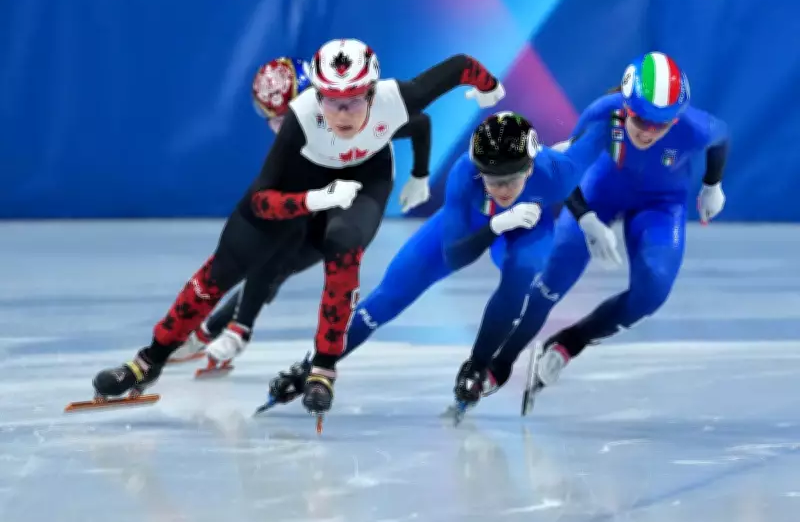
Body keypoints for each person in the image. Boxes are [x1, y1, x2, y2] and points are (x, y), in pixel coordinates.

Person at [90, 38, 505, 417]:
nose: (342, 114)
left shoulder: (396, 99)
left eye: (353, 101)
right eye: (332, 102)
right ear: (316, 96)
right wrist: (314, 200)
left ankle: (323, 367)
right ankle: (149, 361)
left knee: (343, 246)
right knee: (225, 266)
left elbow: (460, 66)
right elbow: (259, 201)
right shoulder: (301, 118)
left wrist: (488, 90)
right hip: (304, 182)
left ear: (372, 93)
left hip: (364, 181)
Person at [261, 111, 595, 412]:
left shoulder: (558, 171)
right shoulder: (465, 174)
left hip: (529, 228)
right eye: (493, 179)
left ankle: (477, 366)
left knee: (520, 277)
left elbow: (604, 122)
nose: (502, 189)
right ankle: (314, 363)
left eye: (510, 179)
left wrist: (587, 217)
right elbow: (455, 255)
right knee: (388, 297)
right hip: (471, 228)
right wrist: (496, 225)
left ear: (531, 167)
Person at [474, 51, 730, 404]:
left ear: (676, 118)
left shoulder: (695, 126)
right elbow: (566, 174)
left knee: (653, 291)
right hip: (600, 191)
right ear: (626, 107)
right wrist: (587, 218)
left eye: (661, 125)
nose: (649, 132)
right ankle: (500, 362)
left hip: (661, 204)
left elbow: (721, 138)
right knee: (554, 276)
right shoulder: (602, 114)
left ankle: (571, 342)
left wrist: (713, 184)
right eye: (641, 120)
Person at [169, 61, 433, 367]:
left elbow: (420, 123)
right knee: (272, 252)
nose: (279, 127)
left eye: (284, 117)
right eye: (270, 118)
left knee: (279, 260)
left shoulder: (357, 120)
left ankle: (222, 332)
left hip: (352, 206)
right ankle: (214, 332)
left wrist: (420, 175)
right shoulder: (299, 134)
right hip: (319, 203)